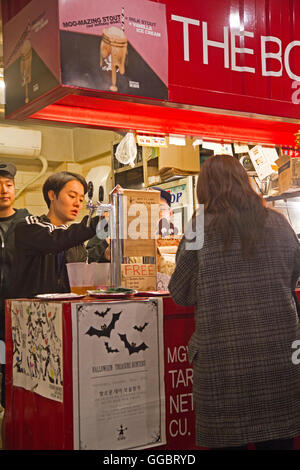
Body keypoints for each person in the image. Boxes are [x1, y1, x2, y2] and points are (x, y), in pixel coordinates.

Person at [169, 154, 300, 450]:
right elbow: (293, 276)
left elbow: (180, 292)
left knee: (229, 440)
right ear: (245, 182)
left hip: (223, 362)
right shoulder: (279, 224)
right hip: (279, 357)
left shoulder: (199, 229)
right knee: (278, 442)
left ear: (204, 190)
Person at [11, 171, 100, 299]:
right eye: (72, 196)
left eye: (81, 199)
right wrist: (97, 222)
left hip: (65, 310)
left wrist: (105, 256)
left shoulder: (75, 239)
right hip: (32, 311)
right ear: (52, 195)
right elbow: (54, 241)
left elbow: (85, 277)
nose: (78, 203)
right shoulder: (28, 226)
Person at [0, 162, 30, 412]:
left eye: (8, 185)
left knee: (19, 366)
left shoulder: (27, 222)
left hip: (20, 309)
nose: (3, 190)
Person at [86, 186, 178, 263]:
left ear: (170, 214)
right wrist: (109, 244)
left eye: (160, 208)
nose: (154, 212)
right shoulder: (113, 230)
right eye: (148, 206)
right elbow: (88, 258)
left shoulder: (176, 241)